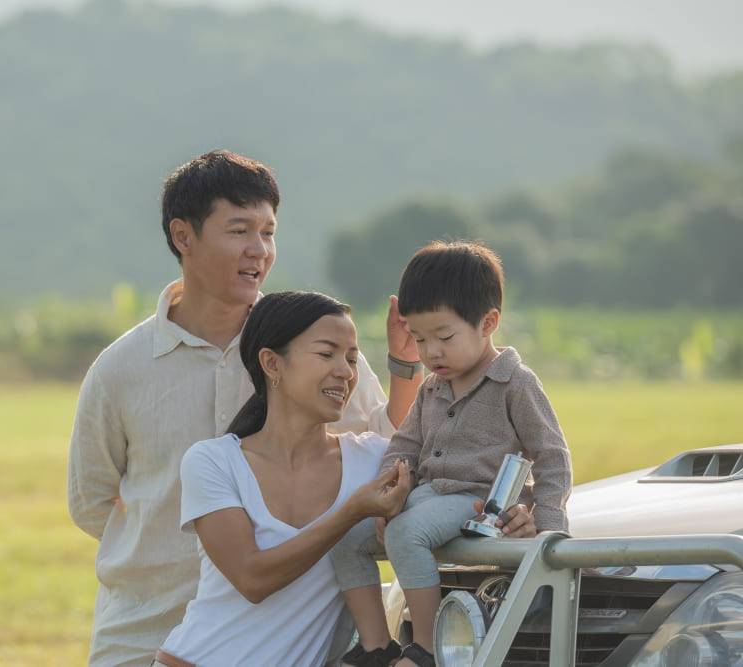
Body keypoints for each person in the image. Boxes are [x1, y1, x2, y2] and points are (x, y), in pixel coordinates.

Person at [67, 150, 425, 666]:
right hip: (143, 636)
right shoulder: (120, 368)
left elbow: (386, 450)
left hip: (283, 642)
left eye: (269, 232)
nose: (259, 250)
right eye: (239, 230)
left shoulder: (308, 348)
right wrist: (213, 555)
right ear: (183, 237)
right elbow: (92, 502)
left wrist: (405, 368)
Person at [329, 241, 573, 667]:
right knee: (347, 538)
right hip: (425, 498)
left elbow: (552, 455)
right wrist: (390, 496)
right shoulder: (432, 388)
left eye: (444, 337)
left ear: (488, 322)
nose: (430, 352)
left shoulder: (513, 383)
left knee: (407, 534)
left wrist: (549, 532)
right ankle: (374, 643)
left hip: (473, 499)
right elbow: (404, 445)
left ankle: (426, 648)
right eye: (420, 339)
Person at [156, 291, 412, 667]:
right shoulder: (213, 462)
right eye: (327, 354)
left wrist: (518, 512)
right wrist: (351, 512)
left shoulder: (370, 459)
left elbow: (447, 464)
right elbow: (252, 578)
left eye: (352, 358)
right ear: (271, 364)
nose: (345, 371)